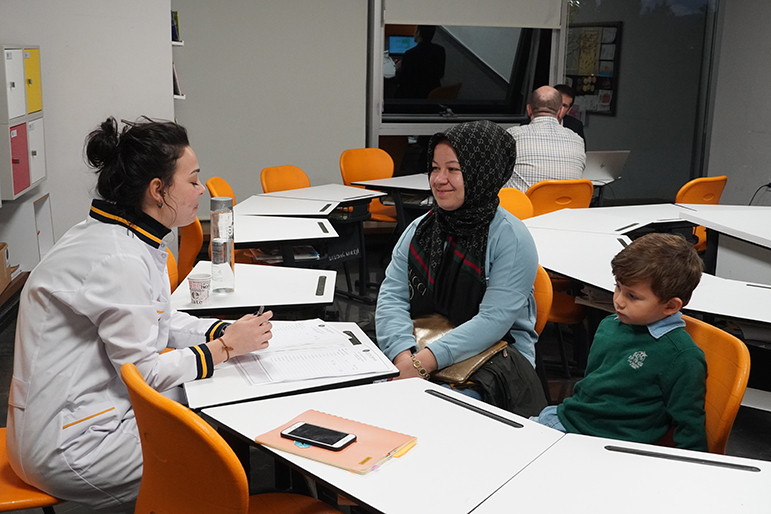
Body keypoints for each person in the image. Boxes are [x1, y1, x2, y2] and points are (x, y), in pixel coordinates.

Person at [6, 117, 274, 510]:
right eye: (193, 180)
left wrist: (224, 331)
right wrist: (225, 349)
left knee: (208, 395)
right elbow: (143, 373)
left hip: (68, 418)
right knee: (212, 450)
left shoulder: (121, 238)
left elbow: (161, 318)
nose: (201, 189)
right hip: (71, 448)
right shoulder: (118, 258)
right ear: (158, 190)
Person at [376, 120, 546, 416]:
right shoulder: (420, 230)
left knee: (438, 413)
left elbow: (493, 321)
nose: (439, 179)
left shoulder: (512, 239)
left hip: (495, 356)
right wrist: (402, 356)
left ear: (483, 172)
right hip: (419, 344)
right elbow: (392, 297)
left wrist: (422, 363)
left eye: (453, 169)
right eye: (434, 168)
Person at [532, 233, 708, 451]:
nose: (618, 301)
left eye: (632, 296)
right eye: (618, 287)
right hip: (570, 419)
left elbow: (690, 426)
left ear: (671, 306)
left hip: (604, 443)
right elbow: (591, 388)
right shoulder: (610, 325)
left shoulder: (682, 356)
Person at [503, 85, 586, 192]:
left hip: (525, 202)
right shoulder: (577, 140)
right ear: (560, 111)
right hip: (565, 201)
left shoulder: (512, 135)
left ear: (529, 110)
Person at [394, 25, 446, 99]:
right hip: (432, 92)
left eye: (415, 30)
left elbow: (400, 79)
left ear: (418, 32)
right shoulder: (440, 50)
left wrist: (397, 69)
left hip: (412, 95)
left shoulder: (410, 54)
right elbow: (440, 74)